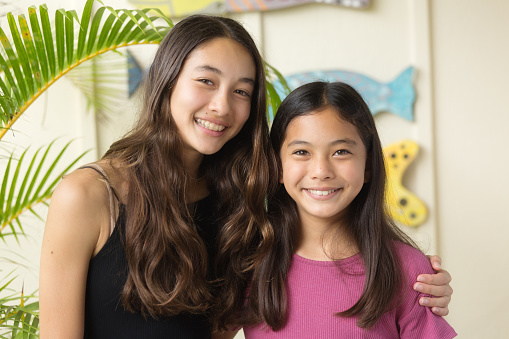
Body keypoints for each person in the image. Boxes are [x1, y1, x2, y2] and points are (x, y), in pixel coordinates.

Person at [39, 14, 452, 338]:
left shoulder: (241, 207)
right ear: (167, 83)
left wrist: (411, 277)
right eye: (206, 81)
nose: (221, 106)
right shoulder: (89, 195)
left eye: (241, 91)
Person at [218, 82, 456, 338]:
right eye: (301, 152)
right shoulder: (249, 262)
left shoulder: (408, 270)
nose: (321, 171)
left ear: (368, 166)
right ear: (277, 166)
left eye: (341, 152)